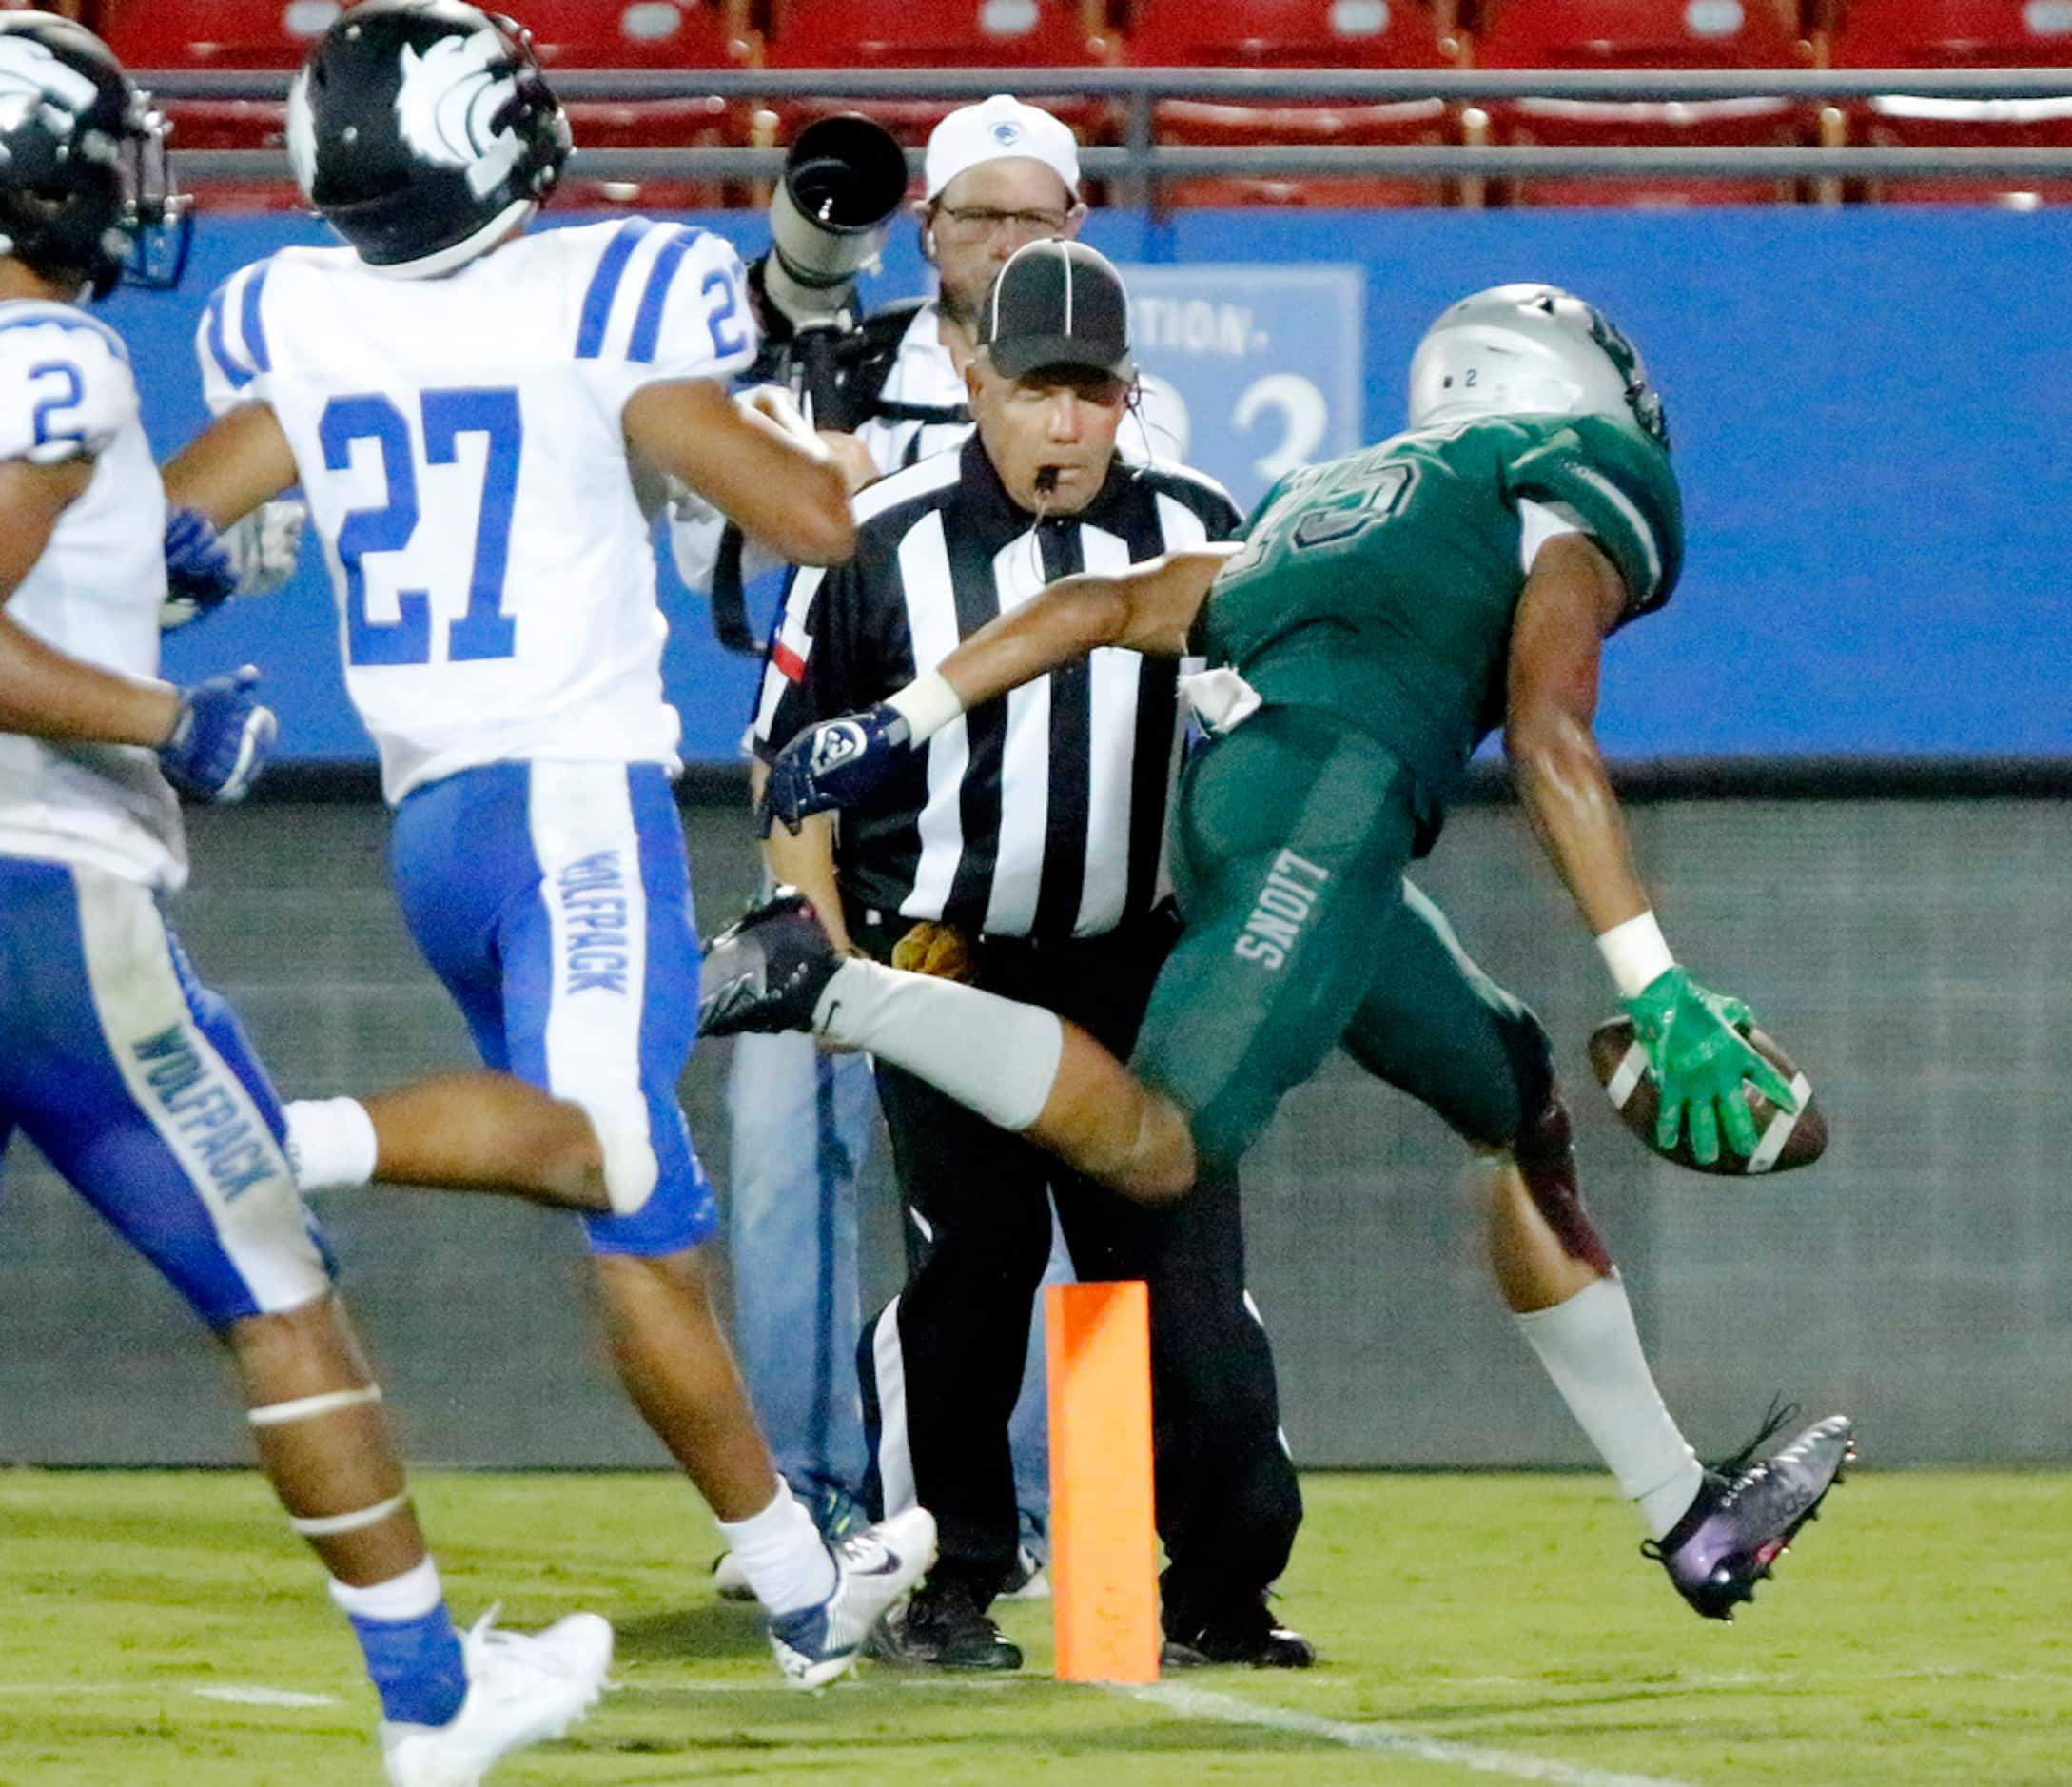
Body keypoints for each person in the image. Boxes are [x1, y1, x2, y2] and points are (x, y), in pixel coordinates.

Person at [710, 283, 1855, 1621]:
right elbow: (1550, 735)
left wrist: (900, 717)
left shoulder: (1340, 490)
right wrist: (1650, 980)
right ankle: (830, 980)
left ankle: (1685, 1515)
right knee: (1154, 1146)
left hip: (1270, 817)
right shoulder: (1576, 478)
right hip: (1314, 804)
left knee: (1514, 1092)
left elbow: (1099, 604)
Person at [155, 0, 931, 1689]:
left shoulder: (294, 314)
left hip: (432, 822)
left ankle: (800, 1586)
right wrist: (830, 438)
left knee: (638, 1199)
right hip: (572, 799)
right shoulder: (599, 294)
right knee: (596, 1137)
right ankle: (266, 1139)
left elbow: (174, 520)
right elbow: (803, 519)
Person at [0, 14, 611, 1782]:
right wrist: (163, 710)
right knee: (275, 1282)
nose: (127, 189)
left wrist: (144, 575)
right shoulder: (54, 358)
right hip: (48, 896)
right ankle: (432, 1699)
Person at [748, 238, 1307, 1671]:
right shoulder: (875, 541)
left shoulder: (1197, 525)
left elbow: (1268, 748)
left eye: (1092, 392)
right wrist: (835, 972)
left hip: (1134, 969)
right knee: (972, 1269)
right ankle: (947, 1580)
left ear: (1130, 394)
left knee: (1185, 1293)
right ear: (973, 378)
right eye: (1037, 388)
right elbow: (786, 772)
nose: (1064, 423)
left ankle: (1220, 1582)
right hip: (945, 963)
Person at [680, 94, 1123, 1592]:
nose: (1003, 244)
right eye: (974, 217)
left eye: (1032, 217)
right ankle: (796, 1509)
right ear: (922, 232)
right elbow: (712, 560)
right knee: (786, 1164)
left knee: (1048, 1195)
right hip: (835, 830)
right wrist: (798, 481)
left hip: (1026, 858)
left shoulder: (1120, 388)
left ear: (1077, 227)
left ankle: (1053, 1509)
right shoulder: (821, 361)